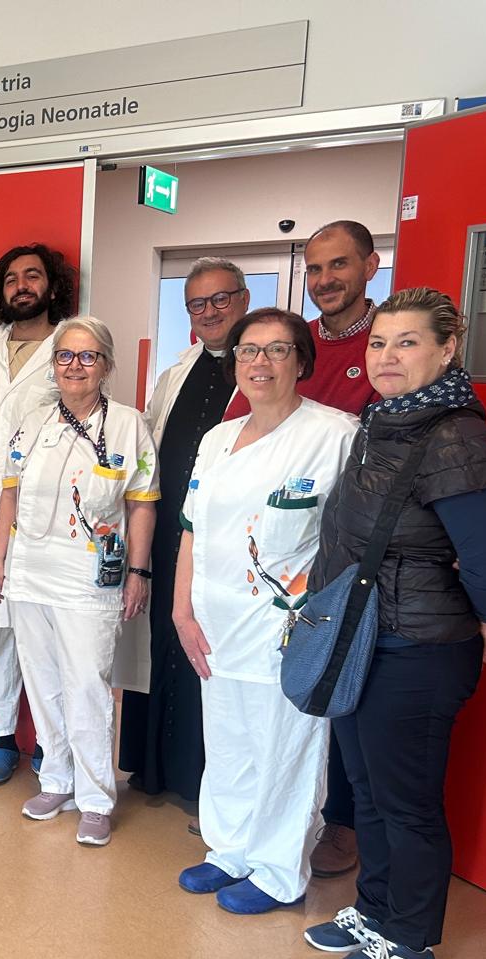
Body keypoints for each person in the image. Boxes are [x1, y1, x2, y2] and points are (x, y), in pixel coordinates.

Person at [303, 288, 486, 959]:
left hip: (418, 645)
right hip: (364, 634)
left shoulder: (456, 434)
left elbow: (485, 555)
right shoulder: (383, 419)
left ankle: (411, 941)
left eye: (407, 342)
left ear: (447, 349)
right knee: (366, 788)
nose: (387, 356)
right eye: (378, 343)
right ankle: (375, 910)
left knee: (407, 802)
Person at [173, 308, 358, 913]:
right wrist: (181, 610)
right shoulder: (217, 440)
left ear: (302, 362)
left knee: (287, 746)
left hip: (288, 624)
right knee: (228, 740)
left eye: (278, 350)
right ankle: (229, 850)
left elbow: (354, 539)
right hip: (216, 619)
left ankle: (278, 871)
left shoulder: (336, 435)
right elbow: (192, 528)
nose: (260, 362)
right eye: (249, 350)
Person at [224, 220, 383, 875]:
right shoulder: (296, 342)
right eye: (315, 269)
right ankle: (255, 822)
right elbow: (237, 439)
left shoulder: (384, 345)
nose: (324, 280)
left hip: (342, 556)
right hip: (267, 562)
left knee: (334, 692)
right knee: (270, 706)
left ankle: (339, 820)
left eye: (338, 265)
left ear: (370, 266)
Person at [0, 317, 157, 846]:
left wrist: (139, 572)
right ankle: (56, 780)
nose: (75, 366)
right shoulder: (32, 423)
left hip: (89, 580)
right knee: (42, 681)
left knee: (86, 686)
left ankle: (96, 797)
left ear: (106, 365)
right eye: (65, 356)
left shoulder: (128, 425)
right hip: (30, 572)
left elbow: (142, 504)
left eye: (87, 356)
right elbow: (9, 494)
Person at [119, 258, 248, 813]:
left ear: (243, 299)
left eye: (221, 299)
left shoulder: (260, 366)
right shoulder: (177, 371)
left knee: (206, 649)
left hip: (225, 540)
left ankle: (203, 781)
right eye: (197, 303)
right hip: (170, 531)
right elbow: (149, 449)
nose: (210, 312)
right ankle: (153, 769)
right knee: (160, 644)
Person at [0, 243, 77, 785]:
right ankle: (3, 739)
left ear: (52, 286)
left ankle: (53, 744)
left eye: (32, 276)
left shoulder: (71, 345)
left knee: (47, 636)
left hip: (43, 514)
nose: (21, 286)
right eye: (10, 279)